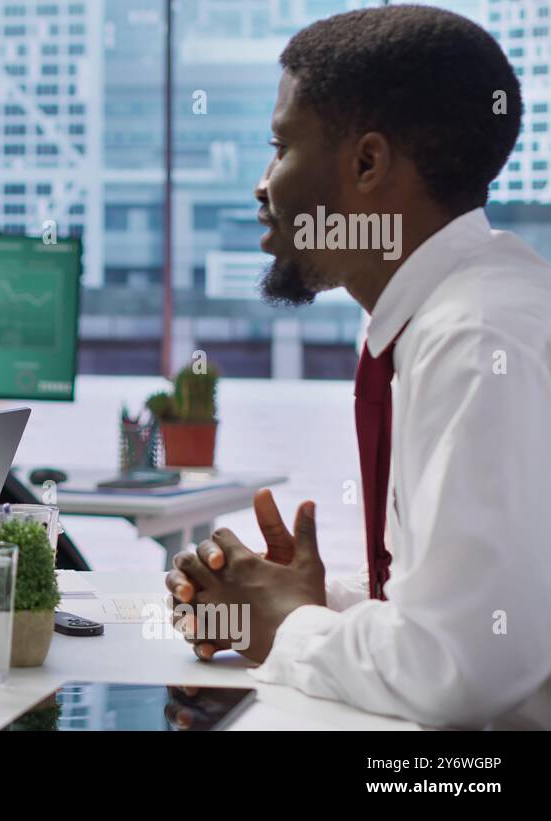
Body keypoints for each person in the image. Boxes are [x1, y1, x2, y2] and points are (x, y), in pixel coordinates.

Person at [164, 5, 551, 729]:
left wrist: (287, 626)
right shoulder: (442, 317)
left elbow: (461, 669)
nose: (263, 184)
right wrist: (289, 599)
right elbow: (460, 616)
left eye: (281, 147)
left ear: (367, 164)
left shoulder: (475, 339)